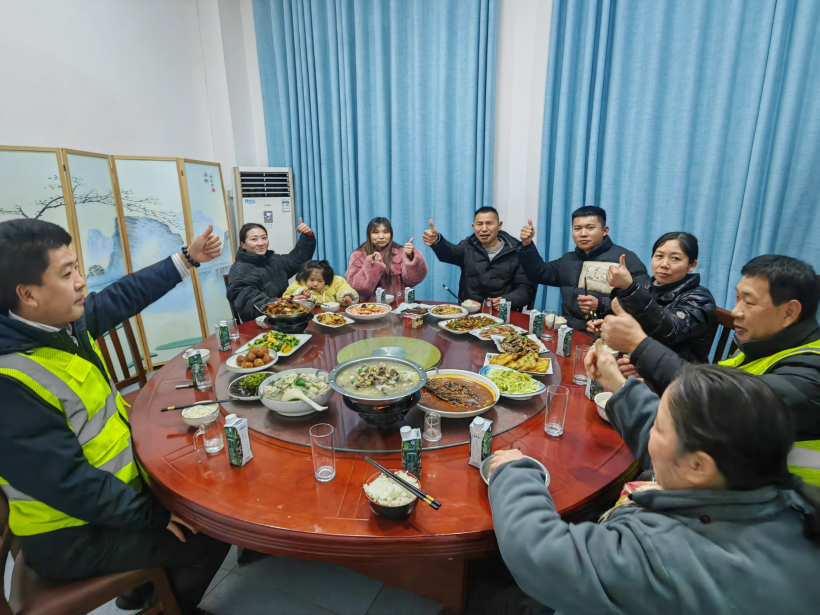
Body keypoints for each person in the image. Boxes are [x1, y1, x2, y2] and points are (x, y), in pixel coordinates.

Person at [0, 218, 230, 615]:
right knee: (209, 533)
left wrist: (188, 258)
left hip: (108, 497)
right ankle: (171, 604)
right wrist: (153, 516)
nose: (81, 283)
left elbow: (124, 294)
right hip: (70, 533)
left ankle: (139, 590)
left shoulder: (57, 327)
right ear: (28, 295)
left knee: (205, 484)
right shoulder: (10, 382)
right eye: (67, 273)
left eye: (78, 268)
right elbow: (68, 484)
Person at [482, 354, 820, 614]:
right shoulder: (784, 498)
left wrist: (515, 472)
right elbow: (671, 449)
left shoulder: (671, 559)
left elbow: (541, 554)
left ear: (699, 465)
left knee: (485, 592)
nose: (653, 431)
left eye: (660, 425)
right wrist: (618, 383)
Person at [599, 255, 820, 471]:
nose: (736, 312)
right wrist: (636, 378)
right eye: (737, 298)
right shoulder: (760, 348)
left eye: (749, 302)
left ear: (789, 312)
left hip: (783, 501)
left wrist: (640, 344)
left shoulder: (811, 373)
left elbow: (718, 402)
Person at [587, 232, 717, 363]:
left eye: (675, 258)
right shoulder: (648, 287)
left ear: (691, 265)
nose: (664, 264)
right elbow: (638, 324)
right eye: (659, 256)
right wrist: (611, 328)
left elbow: (668, 330)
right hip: (644, 364)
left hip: (682, 376)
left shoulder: (700, 299)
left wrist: (629, 288)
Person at [517, 206, 650, 331]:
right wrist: (527, 244)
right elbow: (538, 273)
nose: (583, 234)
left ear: (605, 230)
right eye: (577, 228)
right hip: (568, 332)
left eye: (590, 228)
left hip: (606, 335)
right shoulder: (568, 259)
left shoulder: (624, 259)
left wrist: (602, 304)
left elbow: (644, 298)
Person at [423, 207, 535, 311]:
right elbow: (450, 253)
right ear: (473, 227)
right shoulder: (467, 246)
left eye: (489, 223)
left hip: (501, 313)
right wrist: (437, 241)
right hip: (471, 313)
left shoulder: (516, 251)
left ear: (499, 225)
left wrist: (506, 300)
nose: (484, 229)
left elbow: (526, 288)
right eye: (479, 224)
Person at [227, 219, 316, 322]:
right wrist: (285, 304)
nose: (261, 243)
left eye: (264, 238)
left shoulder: (272, 260)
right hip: (260, 323)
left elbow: (296, 260)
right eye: (254, 239)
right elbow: (249, 302)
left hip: (282, 317)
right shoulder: (240, 270)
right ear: (243, 244)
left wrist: (308, 236)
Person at [346, 217, 428, 302]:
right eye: (376, 232)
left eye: (385, 232)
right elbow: (360, 289)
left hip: (399, 305)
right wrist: (373, 265)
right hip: (371, 308)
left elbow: (413, 280)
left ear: (391, 234)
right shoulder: (358, 255)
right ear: (369, 235)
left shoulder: (400, 252)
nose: (381, 236)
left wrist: (410, 256)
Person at [283, 259, 359, 305]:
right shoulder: (299, 283)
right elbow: (286, 298)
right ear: (305, 278)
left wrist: (346, 296)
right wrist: (300, 296)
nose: (315, 284)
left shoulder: (336, 282)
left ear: (326, 280)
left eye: (320, 281)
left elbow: (344, 288)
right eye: (311, 280)